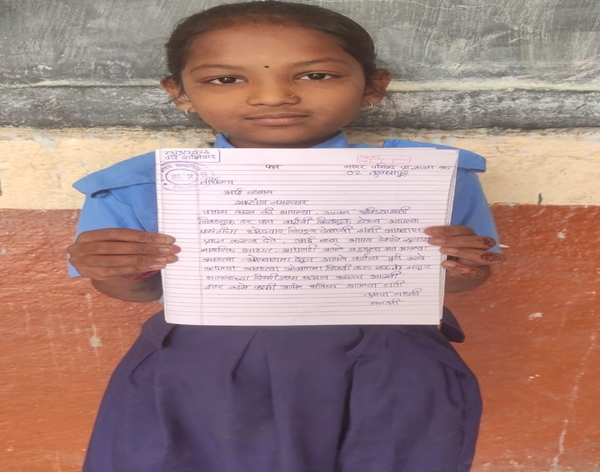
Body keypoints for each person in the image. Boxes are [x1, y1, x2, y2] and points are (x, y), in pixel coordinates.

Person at [67, 2, 505, 471]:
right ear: (179, 93)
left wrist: (463, 265)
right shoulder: (141, 186)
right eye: (226, 79)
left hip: (385, 373)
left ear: (374, 86)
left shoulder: (431, 179)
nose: (272, 97)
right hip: (206, 378)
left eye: (315, 76)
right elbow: (138, 290)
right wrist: (116, 268)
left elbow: (462, 277)